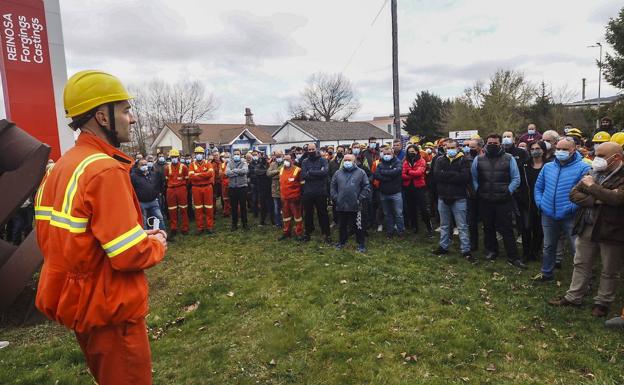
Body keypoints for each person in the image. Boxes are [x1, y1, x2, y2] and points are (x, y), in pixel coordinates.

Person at [34, 70, 166, 385]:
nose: (131, 119)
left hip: (82, 306)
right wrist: (156, 242)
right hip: (112, 312)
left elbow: (72, 240)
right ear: (102, 118)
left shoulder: (65, 166)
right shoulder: (104, 170)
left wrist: (133, 238)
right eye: (124, 110)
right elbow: (128, 254)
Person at [548, 142, 624, 320]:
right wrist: (598, 199)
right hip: (587, 224)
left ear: (617, 158)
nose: (596, 159)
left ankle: (602, 302)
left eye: (602, 155)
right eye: (596, 154)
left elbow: (617, 199)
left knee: (609, 267)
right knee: (581, 263)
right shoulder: (593, 172)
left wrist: (591, 187)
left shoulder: (620, 176)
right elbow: (573, 194)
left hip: (611, 228)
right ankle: (574, 296)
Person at [533, 137, 591, 281]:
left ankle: (584, 281)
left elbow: (586, 193)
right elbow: (538, 188)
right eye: (558, 149)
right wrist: (541, 203)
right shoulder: (548, 167)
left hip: (571, 215)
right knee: (548, 246)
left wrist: (571, 207)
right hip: (548, 214)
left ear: (573, 150)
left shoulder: (583, 168)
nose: (560, 152)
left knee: (577, 249)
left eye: (565, 149)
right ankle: (547, 273)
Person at [471, 133, 526, 269]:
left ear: (500, 144)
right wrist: (479, 191)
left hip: (503, 200)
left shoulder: (509, 158)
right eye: (489, 143)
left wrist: (508, 191)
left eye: (495, 143)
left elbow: (516, 178)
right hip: (485, 199)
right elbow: (474, 177)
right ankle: (491, 251)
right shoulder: (478, 159)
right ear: (485, 144)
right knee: (488, 227)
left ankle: (513, 256)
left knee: (507, 229)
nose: (492, 145)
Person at [432, 139, 474, 262]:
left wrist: (446, 175)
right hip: (443, 196)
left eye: (452, 147)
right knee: (444, 225)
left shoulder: (464, 160)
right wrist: (454, 175)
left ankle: (466, 249)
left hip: (459, 197)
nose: (449, 150)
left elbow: (464, 177)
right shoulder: (440, 160)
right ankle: (443, 246)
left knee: (462, 226)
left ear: (457, 148)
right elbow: (437, 175)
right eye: (447, 148)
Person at [331, 154, 371, 252]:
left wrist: (359, 198)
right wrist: (336, 198)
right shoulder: (338, 173)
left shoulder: (361, 172)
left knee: (358, 225)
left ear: (354, 161)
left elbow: (366, 187)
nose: (347, 162)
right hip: (341, 205)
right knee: (342, 225)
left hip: (356, 205)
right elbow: (333, 187)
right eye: (345, 160)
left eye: (349, 160)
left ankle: (361, 244)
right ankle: (341, 241)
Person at [502, 130, 531, 262]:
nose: (506, 139)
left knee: (523, 222)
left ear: (514, 139)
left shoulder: (522, 153)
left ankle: (526, 250)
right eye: (504, 137)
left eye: (509, 136)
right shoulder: (498, 152)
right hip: (504, 191)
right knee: (506, 220)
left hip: (520, 192)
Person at [301, 143, 332, 243]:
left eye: (312, 149)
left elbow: (325, 173)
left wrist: (311, 172)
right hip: (308, 192)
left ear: (316, 149)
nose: (311, 151)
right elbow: (304, 175)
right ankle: (308, 232)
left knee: (323, 213)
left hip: (320, 191)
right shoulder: (305, 161)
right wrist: (318, 173)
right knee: (308, 213)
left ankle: (326, 233)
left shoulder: (323, 160)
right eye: (309, 150)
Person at [523, 141, 547, 261]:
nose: (534, 151)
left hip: (543, 202)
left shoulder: (548, 166)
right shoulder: (524, 165)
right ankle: (526, 252)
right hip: (527, 202)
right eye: (532, 149)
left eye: (537, 148)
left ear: (543, 150)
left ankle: (536, 251)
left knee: (539, 229)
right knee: (526, 228)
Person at [402, 144, 433, 237]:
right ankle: (415, 227)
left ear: (416, 151)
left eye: (413, 151)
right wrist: (411, 174)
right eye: (409, 152)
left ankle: (429, 227)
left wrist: (409, 172)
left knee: (424, 209)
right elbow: (402, 174)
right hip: (408, 187)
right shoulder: (405, 162)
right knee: (411, 208)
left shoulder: (421, 160)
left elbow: (419, 173)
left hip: (419, 187)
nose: (411, 153)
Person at [373, 146, 404, 238]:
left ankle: (400, 231)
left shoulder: (397, 162)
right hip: (384, 193)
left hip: (396, 193)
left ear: (392, 154)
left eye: (388, 154)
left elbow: (397, 172)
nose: (386, 155)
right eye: (385, 154)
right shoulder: (380, 164)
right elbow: (376, 175)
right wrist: (389, 176)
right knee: (387, 214)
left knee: (398, 214)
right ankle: (390, 232)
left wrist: (384, 173)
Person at [131, 158, 165, 231]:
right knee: (144, 221)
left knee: (159, 217)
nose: (144, 166)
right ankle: (146, 237)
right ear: (138, 166)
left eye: (145, 164)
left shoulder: (153, 174)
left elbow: (158, 184)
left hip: (153, 201)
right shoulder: (133, 176)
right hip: (141, 203)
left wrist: (157, 192)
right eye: (142, 165)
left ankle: (163, 233)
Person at [189, 146, 215, 235]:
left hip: (207, 187)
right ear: (195, 155)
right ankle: (200, 227)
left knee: (209, 208)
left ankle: (209, 226)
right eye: (197, 154)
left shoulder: (208, 163)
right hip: (196, 188)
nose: (199, 155)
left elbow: (210, 174)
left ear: (203, 154)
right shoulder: (192, 164)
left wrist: (198, 175)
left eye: (200, 153)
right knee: (198, 208)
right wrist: (204, 175)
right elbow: (191, 177)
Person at [164, 148, 189, 240]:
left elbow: (187, 180)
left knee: (183, 209)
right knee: (172, 210)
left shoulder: (184, 167)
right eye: (172, 157)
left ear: (178, 157)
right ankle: (173, 228)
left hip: (181, 189)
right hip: (170, 190)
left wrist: (182, 187)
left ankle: (185, 227)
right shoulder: (167, 168)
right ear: (170, 157)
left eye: (175, 157)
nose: (174, 158)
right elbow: (166, 180)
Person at [278, 154, 304, 240]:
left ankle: (299, 233)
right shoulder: (281, 170)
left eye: (288, 160)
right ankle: (286, 232)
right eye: (284, 159)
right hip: (284, 198)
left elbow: (302, 184)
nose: (286, 161)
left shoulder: (297, 170)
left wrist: (300, 197)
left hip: (295, 198)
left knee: (297, 217)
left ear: (292, 160)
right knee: (286, 217)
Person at [465, 138, 483, 251]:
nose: (469, 149)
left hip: (484, 193)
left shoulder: (484, 159)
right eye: (468, 146)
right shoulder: (465, 159)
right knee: (471, 221)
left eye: (472, 147)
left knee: (487, 220)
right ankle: (473, 243)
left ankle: (489, 245)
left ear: (479, 147)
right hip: (470, 193)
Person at [225, 149, 249, 231]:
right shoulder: (229, 163)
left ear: (240, 155)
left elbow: (245, 171)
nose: (236, 155)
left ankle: (244, 223)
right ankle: (234, 224)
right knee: (234, 207)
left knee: (243, 207)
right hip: (232, 188)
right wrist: (238, 172)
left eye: (237, 154)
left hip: (242, 187)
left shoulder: (244, 163)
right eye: (235, 154)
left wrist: (234, 171)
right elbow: (227, 173)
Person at [254, 152, 274, 225]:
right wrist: (267, 172)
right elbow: (257, 172)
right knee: (262, 205)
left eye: (265, 158)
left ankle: (273, 220)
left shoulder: (269, 165)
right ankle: (262, 221)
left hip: (269, 188)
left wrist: (267, 172)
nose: (264, 160)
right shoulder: (258, 166)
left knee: (271, 205)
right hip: (261, 188)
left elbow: (271, 173)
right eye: (263, 159)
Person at [267, 150, 284, 228]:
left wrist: (276, 175)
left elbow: (286, 174)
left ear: (282, 155)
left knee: (285, 207)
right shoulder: (273, 164)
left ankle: (286, 222)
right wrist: (277, 171)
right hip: (275, 188)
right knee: (276, 207)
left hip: (285, 188)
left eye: (279, 156)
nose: (278, 158)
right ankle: (278, 223)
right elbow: (268, 173)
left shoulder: (286, 163)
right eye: (277, 156)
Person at [219, 152, 231, 217]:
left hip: (232, 183)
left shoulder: (233, 164)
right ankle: (226, 212)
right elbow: (220, 174)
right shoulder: (222, 165)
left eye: (228, 157)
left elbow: (233, 173)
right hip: (224, 184)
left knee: (233, 198)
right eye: (225, 157)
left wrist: (225, 173)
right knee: (225, 199)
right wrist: (227, 173)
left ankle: (237, 212)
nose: (226, 158)